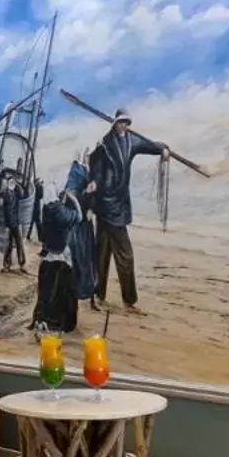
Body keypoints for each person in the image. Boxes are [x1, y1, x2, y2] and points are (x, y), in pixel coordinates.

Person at [83, 110, 167, 314]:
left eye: (125, 123)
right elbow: (96, 167)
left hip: (119, 205)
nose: (122, 126)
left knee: (114, 254)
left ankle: (118, 299)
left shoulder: (131, 140)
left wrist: (163, 149)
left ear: (128, 124)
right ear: (114, 123)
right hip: (105, 204)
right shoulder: (105, 144)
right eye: (119, 122)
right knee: (112, 255)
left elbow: (150, 146)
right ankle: (106, 297)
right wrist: (93, 182)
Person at [31, 188, 81, 333]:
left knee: (46, 292)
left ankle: (43, 321)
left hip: (49, 255)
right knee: (62, 291)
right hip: (59, 258)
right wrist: (74, 200)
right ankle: (57, 323)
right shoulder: (58, 211)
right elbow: (78, 217)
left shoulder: (45, 209)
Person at [61, 151, 98, 301]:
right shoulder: (76, 170)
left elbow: (97, 196)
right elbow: (71, 193)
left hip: (86, 222)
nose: (89, 158)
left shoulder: (93, 172)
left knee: (88, 254)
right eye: (88, 154)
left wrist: (92, 207)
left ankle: (88, 289)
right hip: (77, 221)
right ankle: (75, 288)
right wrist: (86, 192)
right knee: (77, 253)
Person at [0, 173, 28, 273]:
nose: (12, 184)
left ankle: (22, 264)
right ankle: (6, 266)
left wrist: (17, 184)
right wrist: (4, 191)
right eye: (10, 182)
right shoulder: (4, 194)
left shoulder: (17, 193)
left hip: (16, 223)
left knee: (20, 244)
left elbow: (23, 193)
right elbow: (1, 204)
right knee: (8, 245)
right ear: (7, 183)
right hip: (8, 224)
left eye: (13, 182)